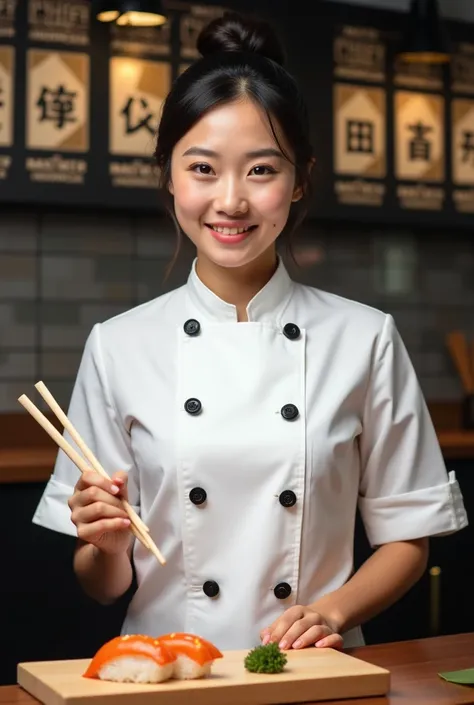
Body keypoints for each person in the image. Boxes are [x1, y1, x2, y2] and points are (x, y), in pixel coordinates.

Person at [33, 11, 467, 653]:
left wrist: (332, 612)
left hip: (317, 672)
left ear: (300, 180)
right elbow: (102, 585)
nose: (231, 201)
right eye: (202, 168)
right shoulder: (117, 344)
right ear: (170, 174)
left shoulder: (365, 338)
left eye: (261, 170)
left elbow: (407, 536)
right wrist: (109, 545)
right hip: (165, 674)